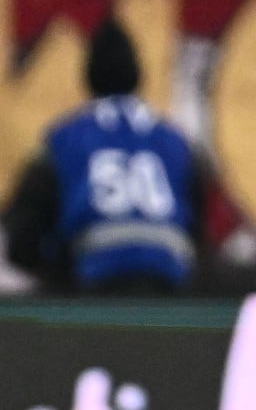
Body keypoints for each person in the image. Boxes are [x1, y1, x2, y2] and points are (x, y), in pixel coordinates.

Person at [3, 17, 204, 294]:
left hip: (94, 281)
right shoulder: (175, 141)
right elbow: (197, 220)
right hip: (167, 281)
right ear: (137, 72)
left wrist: (55, 274)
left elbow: (24, 233)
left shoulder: (65, 138)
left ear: (88, 75)